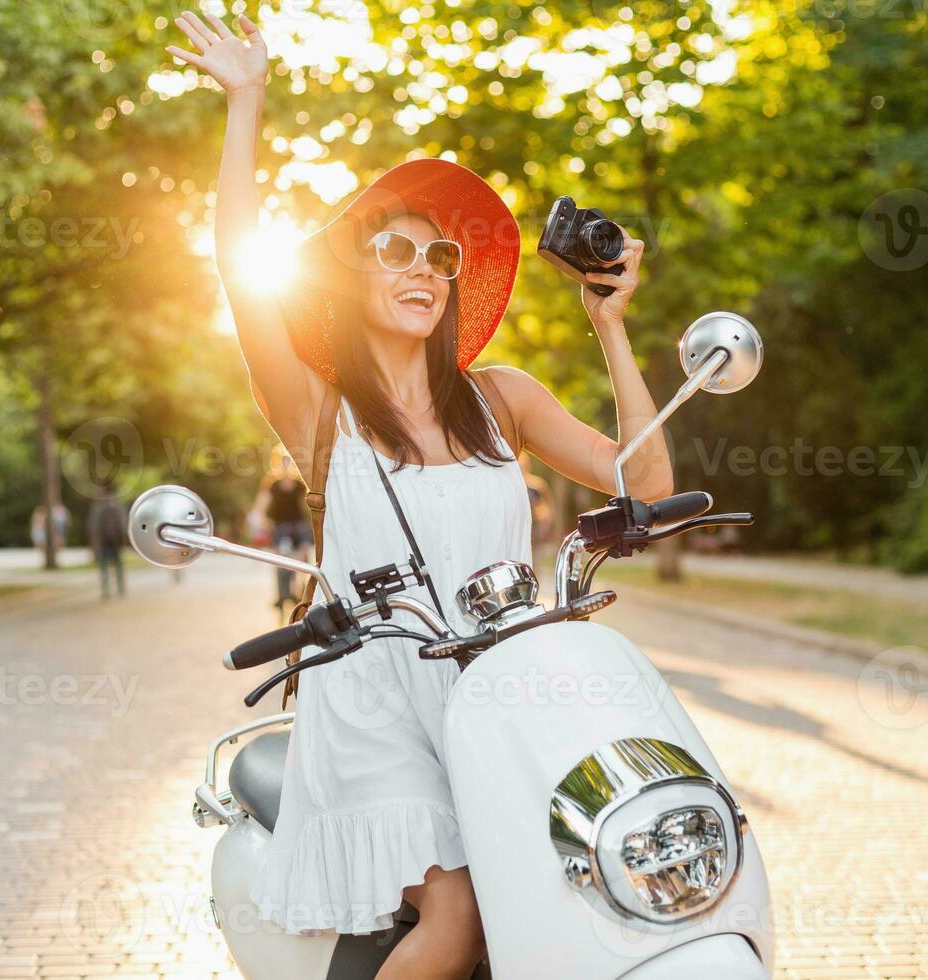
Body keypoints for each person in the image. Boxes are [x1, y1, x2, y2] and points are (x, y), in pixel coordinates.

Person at [168, 9, 673, 975]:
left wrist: (611, 326)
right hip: (372, 700)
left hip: (500, 686)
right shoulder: (321, 414)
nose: (426, 272)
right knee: (461, 912)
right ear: (349, 281)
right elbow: (239, 270)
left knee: (589, 877)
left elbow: (645, 478)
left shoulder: (503, 399)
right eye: (396, 252)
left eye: (441, 258)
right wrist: (247, 102)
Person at [248, 447, 312, 619]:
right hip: (280, 527)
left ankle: (303, 592)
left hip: (298, 526)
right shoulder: (273, 484)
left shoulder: (299, 484)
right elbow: (262, 504)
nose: (286, 466)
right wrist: (261, 520)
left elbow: (307, 505)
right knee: (281, 562)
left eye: (288, 462)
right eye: (283, 462)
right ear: (277, 464)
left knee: (305, 558)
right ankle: (281, 597)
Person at [87, 487, 129, 600]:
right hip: (115, 540)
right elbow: (123, 524)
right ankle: (120, 587)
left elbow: (93, 527)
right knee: (118, 564)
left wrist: (94, 544)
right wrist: (124, 540)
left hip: (104, 541)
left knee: (104, 565)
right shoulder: (117, 506)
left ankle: (106, 590)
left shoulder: (98, 507)